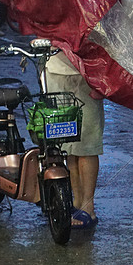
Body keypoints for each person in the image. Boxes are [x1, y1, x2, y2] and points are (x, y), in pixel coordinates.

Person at [44, 51, 105, 228]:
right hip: (54, 70)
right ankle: (77, 203)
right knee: (67, 143)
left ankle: (88, 206)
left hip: (87, 72)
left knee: (87, 142)